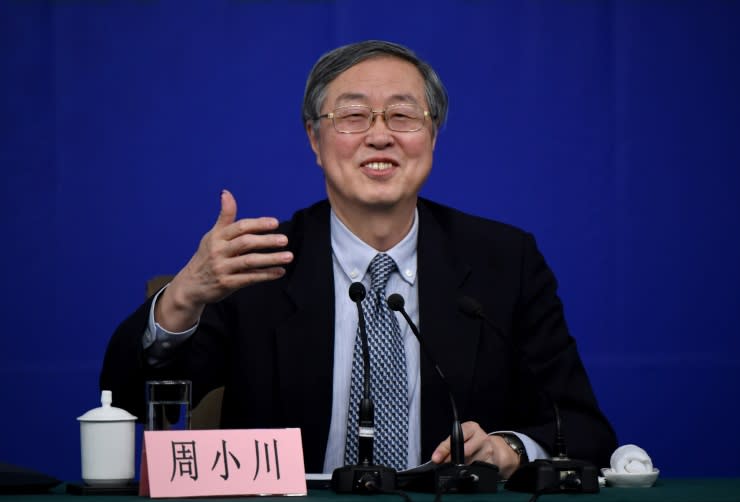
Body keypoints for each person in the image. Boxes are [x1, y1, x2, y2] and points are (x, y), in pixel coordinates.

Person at [101, 40, 616, 479]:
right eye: (352, 116)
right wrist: (182, 301)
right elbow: (125, 403)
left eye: (402, 115)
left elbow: (583, 428)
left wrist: (509, 449)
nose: (379, 135)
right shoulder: (257, 265)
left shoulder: (505, 262)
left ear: (432, 135)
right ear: (315, 140)